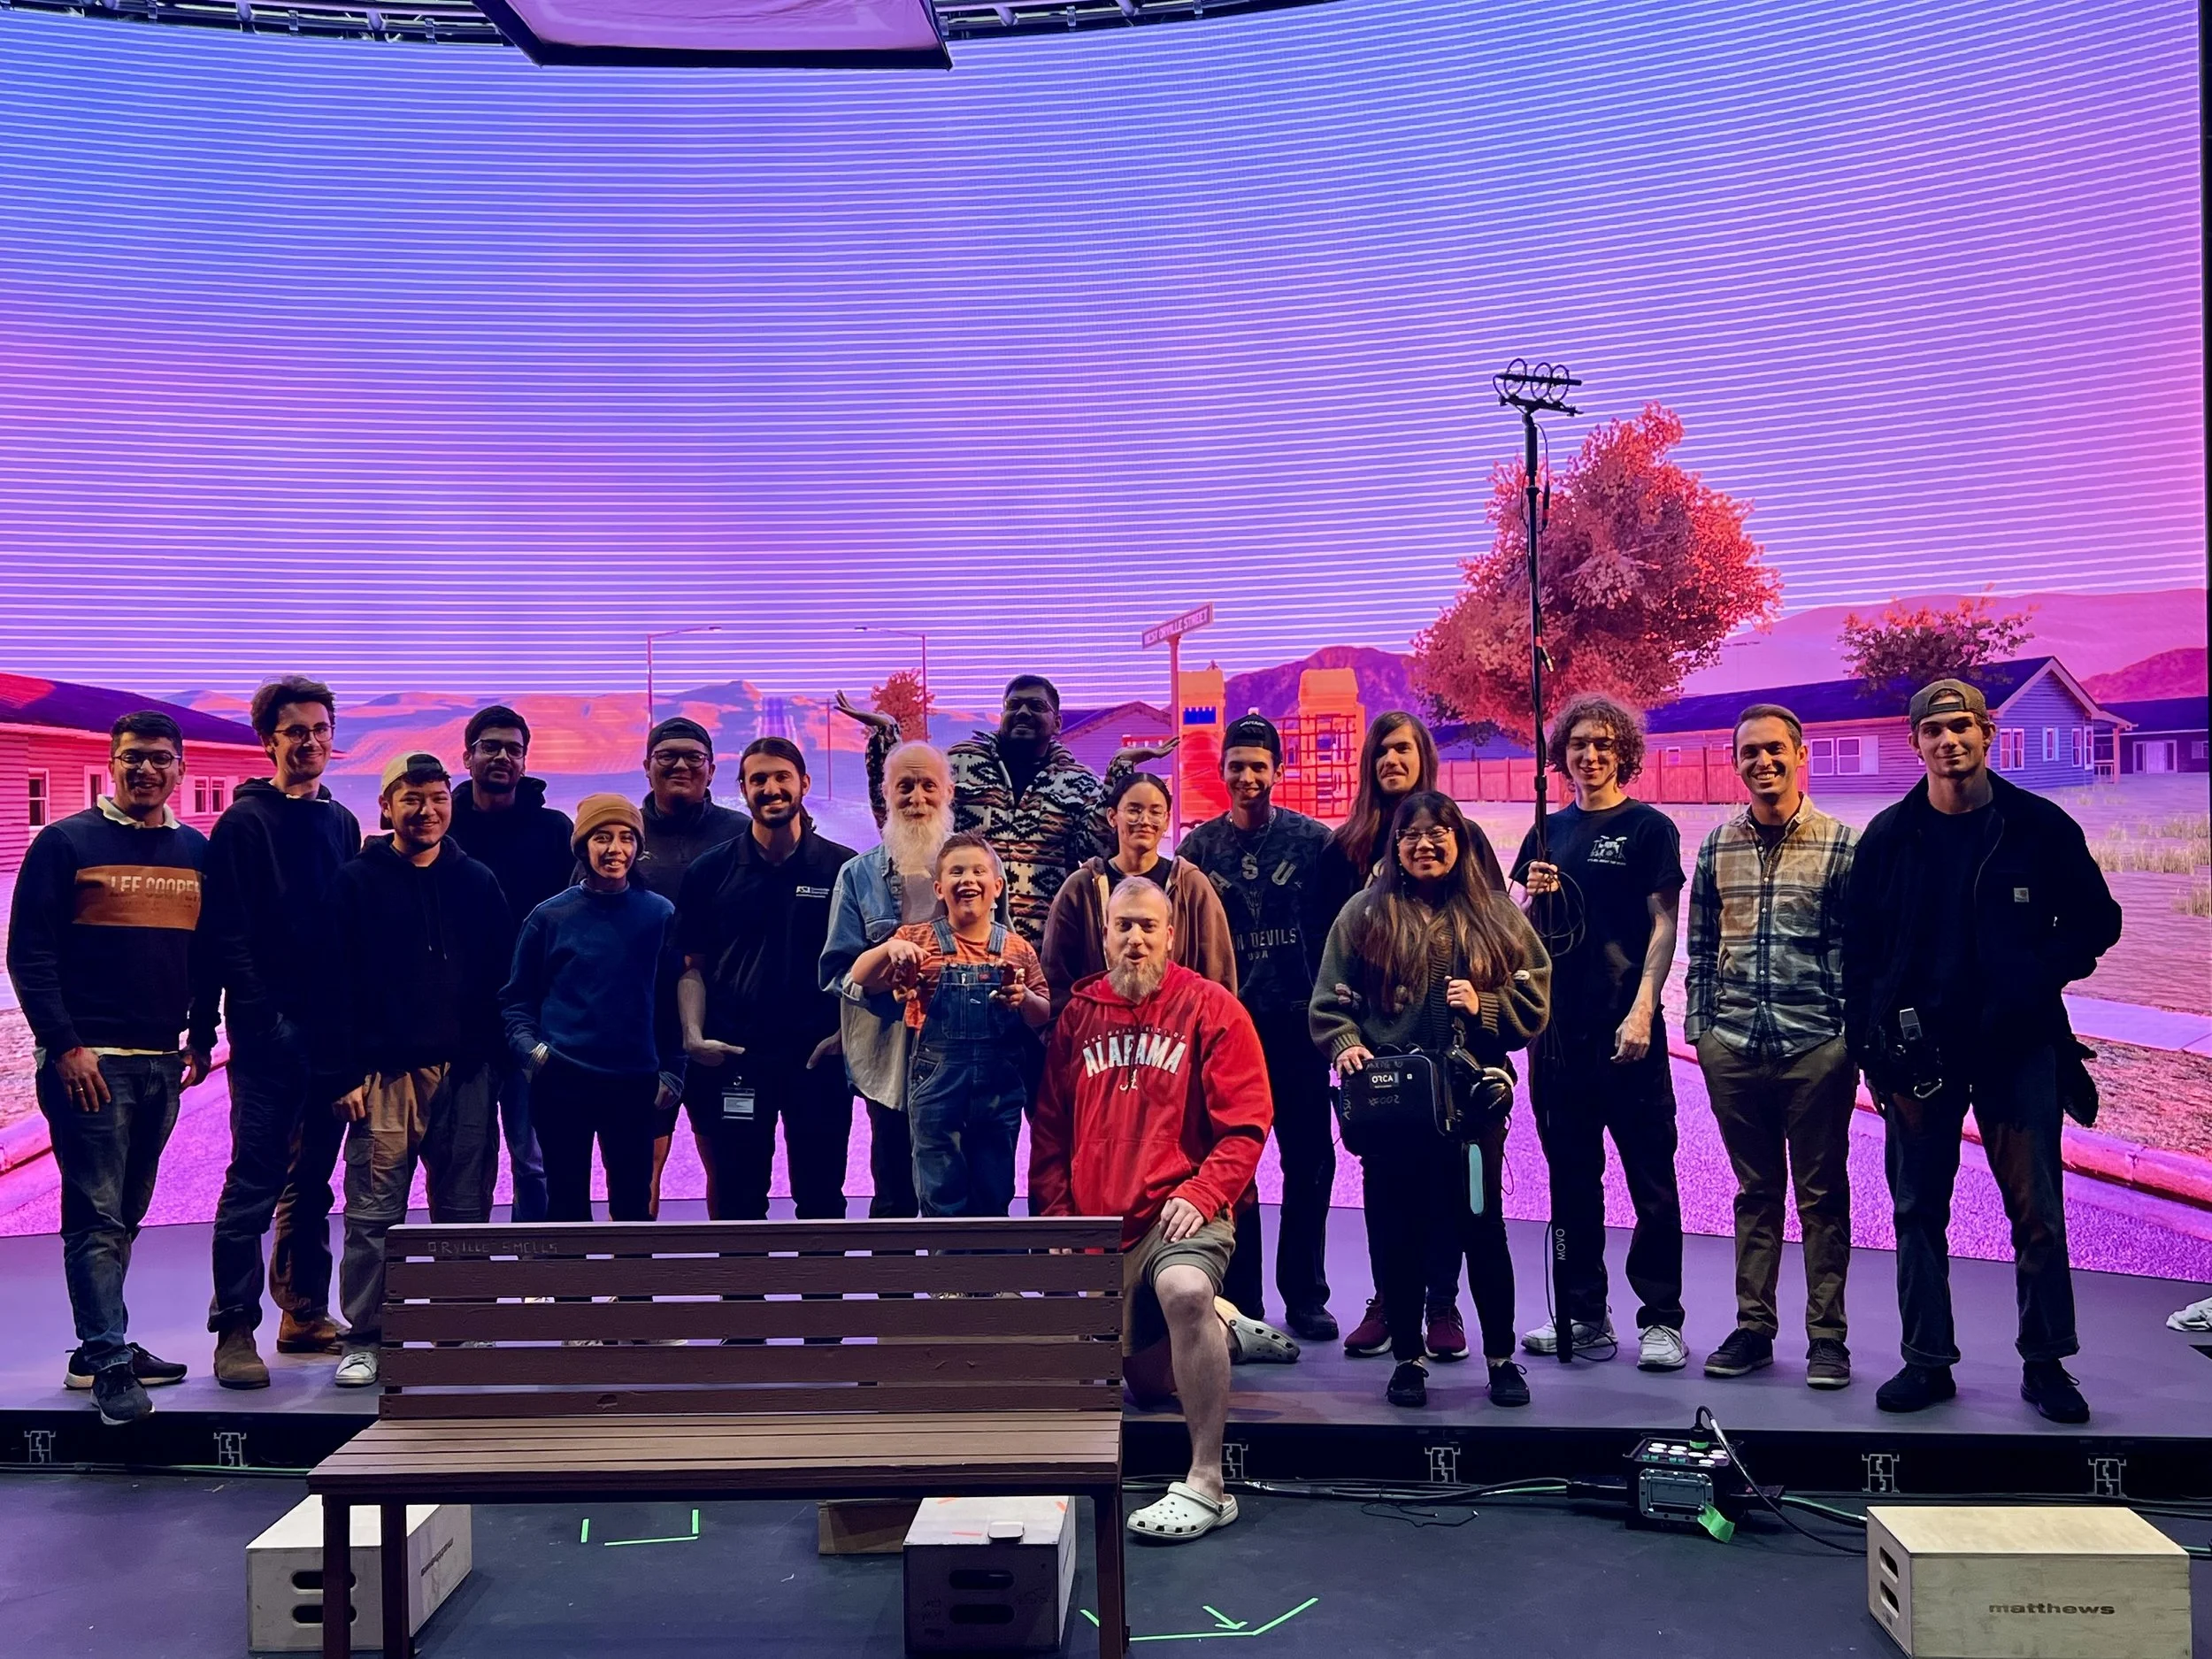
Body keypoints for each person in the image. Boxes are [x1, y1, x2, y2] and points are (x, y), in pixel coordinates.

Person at [1843, 678, 2121, 1424]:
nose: (1949, 741)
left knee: (2038, 1213)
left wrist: (2036, 975)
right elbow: (1858, 950)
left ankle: (2047, 1362)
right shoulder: (1889, 837)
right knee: (1917, 1210)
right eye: (1933, 730)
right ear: (1916, 743)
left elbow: (2098, 920)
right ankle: (1926, 1361)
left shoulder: (2038, 826)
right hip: (1918, 1054)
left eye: (1961, 726)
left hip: (2018, 1045)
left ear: (1986, 733)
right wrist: (1870, 1045)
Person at [1031, 880, 1276, 1545]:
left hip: (1179, 1212)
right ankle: (1229, 1330)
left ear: (1171, 935)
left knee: (1185, 1289)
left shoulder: (1212, 1006)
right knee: (1147, 1385)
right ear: (1105, 935)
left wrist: (1201, 1193)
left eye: (1147, 926)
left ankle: (1207, 1482)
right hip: (1100, 1221)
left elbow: (1247, 1124)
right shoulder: (1078, 1017)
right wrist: (1058, 1216)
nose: (1135, 939)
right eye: (1123, 927)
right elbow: (1049, 1130)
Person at [6, 711, 214, 1425]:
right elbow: (29, 953)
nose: (145, 769)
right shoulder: (65, 843)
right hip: (90, 1063)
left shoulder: (195, 851)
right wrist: (64, 1045)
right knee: (95, 1216)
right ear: (112, 763)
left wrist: (202, 1034)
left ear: (179, 768)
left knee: (125, 1213)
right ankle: (109, 1359)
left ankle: (99, 1346)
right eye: (131, 757)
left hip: (160, 1060)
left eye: (159, 758)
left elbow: (207, 955)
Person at [1311, 792, 1548, 1411]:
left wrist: (1486, 1005)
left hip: (1472, 1114)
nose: (1424, 844)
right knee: (1397, 1233)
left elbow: (1535, 1002)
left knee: (1482, 1230)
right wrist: (1345, 1043)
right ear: (1396, 846)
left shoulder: (1497, 914)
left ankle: (1501, 1358)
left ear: (1459, 840)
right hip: (1393, 1113)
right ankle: (1407, 1360)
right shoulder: (1364, 913)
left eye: (1437, 832)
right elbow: (1329, 1000)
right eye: (1410, 834)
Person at [1512, 692, 1688, 1371]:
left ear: (1624, 753)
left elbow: (1664, 923)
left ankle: (1662, 1319)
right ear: (1562, 754)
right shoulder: (1545, 833)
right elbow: (1516, 936)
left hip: (1628, 1033)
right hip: (1558, 1040)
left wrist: (1644, 1008)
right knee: (1572, 1184)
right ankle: (1583, 1314)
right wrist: (1530, 895)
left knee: (1652, 1183)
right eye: (1579, 744)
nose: (1590, 755)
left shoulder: (1648, 828)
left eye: (1603, 744)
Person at [1686, 706, 1859, 1389]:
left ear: (1800, 753)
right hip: (1734, 1047)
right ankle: (1754, 1328)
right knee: (1755, 1192)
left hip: (1815, 1047)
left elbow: (1857, 952)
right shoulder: (1716, 847)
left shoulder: (1842, 845)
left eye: (1775, 749)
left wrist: (1845, 1040)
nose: (1763, 762)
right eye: (1750, 752)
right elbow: (1702, 947)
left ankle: (1828, 1338)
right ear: (1737, 761)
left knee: (1822, 1197)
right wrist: (1703, 1034)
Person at [326, 753, 511, 1389]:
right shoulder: (354, 883)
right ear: (387, 807)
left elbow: (500, 978)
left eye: (437, 797)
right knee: (374, 1213)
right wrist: (343, 1072)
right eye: (412, 798)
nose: (427, 810)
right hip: (383, 1076)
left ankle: (461, 1324)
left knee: (464, 1208)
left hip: (466, 1072)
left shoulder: (477, 881)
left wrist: (489, 1059)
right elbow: (332, 984)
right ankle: (368, 1336)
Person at [202, 677, 363, 1389]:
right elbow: (227, 934)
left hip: (329, 1038)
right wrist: (259, 1018)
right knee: (253, 1184)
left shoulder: (341, 823)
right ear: (269, 741)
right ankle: (235, 1328)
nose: (310, 741)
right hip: (268, 1037)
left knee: (313, 1184)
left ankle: (302, 1312)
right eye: (296, 731)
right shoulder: (244, 824)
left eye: (321, 729)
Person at [1176, 716, 1341, 1339]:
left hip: (1299, 1029)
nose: (1247, 776)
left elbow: (1339, 931)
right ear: (1222, 771)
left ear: (1278, 769)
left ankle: (1306, 1294)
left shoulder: (1315, 844)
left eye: (1258, 765)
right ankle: (1240, 1298)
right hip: (1228, 1035)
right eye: (1237, 765)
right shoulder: (1196, 851)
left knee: (1310, 1164)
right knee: (1231, 1169)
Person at [1314, 710, 1465, 1363]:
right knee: (1385, 1188)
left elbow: (1491, 928)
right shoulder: (1345, 848)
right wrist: (1344, 1022)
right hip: (1375, 1054)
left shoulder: (1462, 839)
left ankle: (1442, 1302)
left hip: (1449, 1053)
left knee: (1449, 1183)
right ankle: (1389, 1299)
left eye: (1403, 748)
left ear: (1423, 755)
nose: (1391, 761)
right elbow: (1327, 947)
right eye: (1381, 751)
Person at [675, 738, 857, 1220]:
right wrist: (693, 1036)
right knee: (738, 1203)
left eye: (782, 777)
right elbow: (692, 966)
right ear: (742, 789)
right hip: (737, 1057)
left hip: (818, 1059)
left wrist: (846, 1034)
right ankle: (743, 1277)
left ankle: (822, 1276)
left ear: (804, 784)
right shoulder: (709, 871)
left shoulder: (842, 869)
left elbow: (861, 966)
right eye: (758, 779)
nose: (771, 788)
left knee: (821, 1199)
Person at [846, 676, 1169, 947]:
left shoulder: (1079, 782)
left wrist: (1117, 776)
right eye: (1014, 705)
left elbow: (1093, 851)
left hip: (1045, 945)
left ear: (1057, 722)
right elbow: (903, 820)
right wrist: (884, 742)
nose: (1023, 712)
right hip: (963, 943)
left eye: (1036, 706)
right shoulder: (959, 764)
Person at [849, 833, 1050, 1216]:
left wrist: (1024, 998)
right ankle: (944, 1255)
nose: (968, 879)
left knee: (993, 1193)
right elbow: (859, 976)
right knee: (940, 1195)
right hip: (936, 1088)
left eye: (978, 871)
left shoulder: (1018, 948)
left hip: (998, 1089)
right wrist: (889, 949)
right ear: (939, 888)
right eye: (956, 872)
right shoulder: (915, 940)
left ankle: (987, 1254)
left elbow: (1043, 1013)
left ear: (998, 887)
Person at [503, 795, 680, 1222]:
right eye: (602, 838)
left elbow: (673, 1002)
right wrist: (533, 1052)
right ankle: (570, 1273)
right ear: (583, 846)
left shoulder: (659, 914)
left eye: (625, 838)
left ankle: (631, 1272)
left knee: (633, 1205)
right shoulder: (550, 917)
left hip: (634, 1082)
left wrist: (673, 1070)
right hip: (563, 1081)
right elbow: (517, 999)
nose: (615, 849)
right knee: (566, 1205)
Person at [443, 703, 574, 1225]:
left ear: (525, 760)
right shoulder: (443, 828)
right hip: (462, 1024)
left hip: (534, 1020)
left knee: (533, 1161)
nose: (502, 757)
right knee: (464, 1161)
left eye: (513, 749)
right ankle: (468, 1269)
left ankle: (534, 1264)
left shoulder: (554, 831)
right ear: (468, 756)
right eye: (490, 747)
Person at [819, 741, 958, 1218]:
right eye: (905, 786)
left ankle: (956, 1273)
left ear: (949, 792)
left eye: (928, 785)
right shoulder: (857, 876)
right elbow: (836, 973)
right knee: (894, 1192)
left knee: (956, 1196)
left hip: (961, 1060)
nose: (917, 798)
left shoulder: (978, 871)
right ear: (886, 794)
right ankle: (893, 1270)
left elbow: (1000, 949)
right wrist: (883, 973)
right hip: (888, 1061)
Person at [1040, 771, 1238, 1015]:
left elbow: (1218, 975)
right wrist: (1067, 1029)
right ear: (1112, 816)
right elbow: (1056, 976)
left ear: (1166, 820)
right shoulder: (1081, 887)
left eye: (1155, 812)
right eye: (1134, 810)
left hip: (1178, 1029)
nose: (1145, 820)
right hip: (1097, 1029)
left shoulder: (1191, 886)